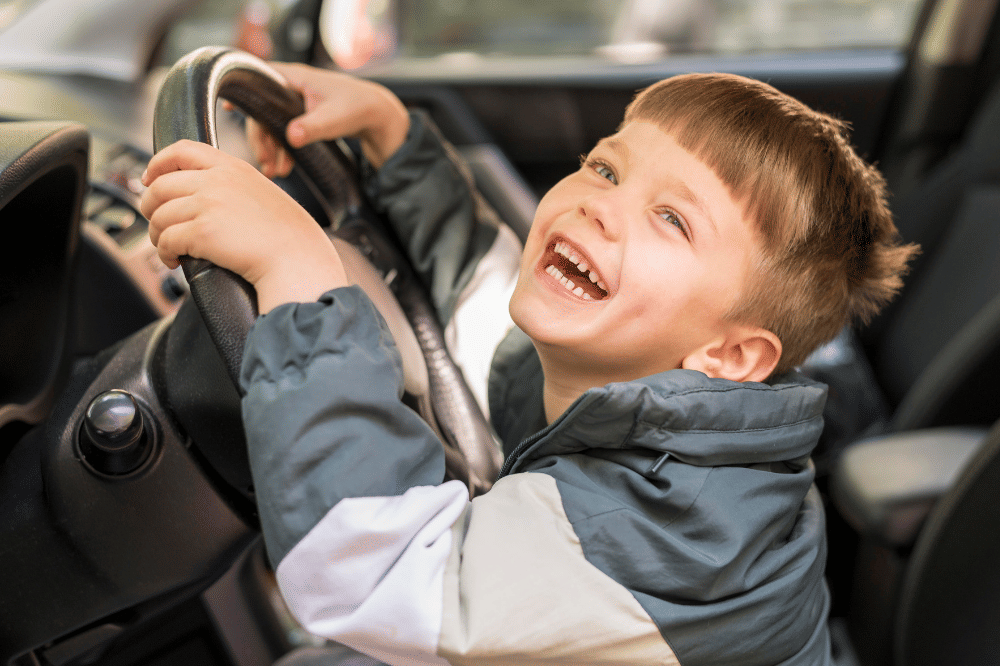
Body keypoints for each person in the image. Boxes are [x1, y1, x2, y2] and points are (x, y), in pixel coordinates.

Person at [139, 64, 917, 666]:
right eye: (607, 168)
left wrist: (301, 280)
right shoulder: (619, 389)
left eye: (672, 219)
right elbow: (481, 299)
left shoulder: (668, 535)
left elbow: (370, 575)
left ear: (730, 354)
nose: (598, 205)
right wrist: (391, 137)